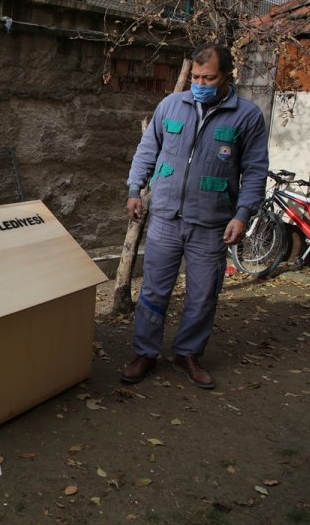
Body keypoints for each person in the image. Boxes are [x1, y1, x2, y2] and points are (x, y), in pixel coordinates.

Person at [121, 42, 269, 390]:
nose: (200, 84)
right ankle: (145, 352)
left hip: (212, 223)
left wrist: (242, 215)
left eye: (209, 78)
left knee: (203, 294)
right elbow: (148, 149)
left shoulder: (247, 116)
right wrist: (134, 188)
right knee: (154, 291)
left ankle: (187, 353)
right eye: (196, 77)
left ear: (227, 76)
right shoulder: (171, 105)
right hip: (166, 217)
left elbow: (255, 170)